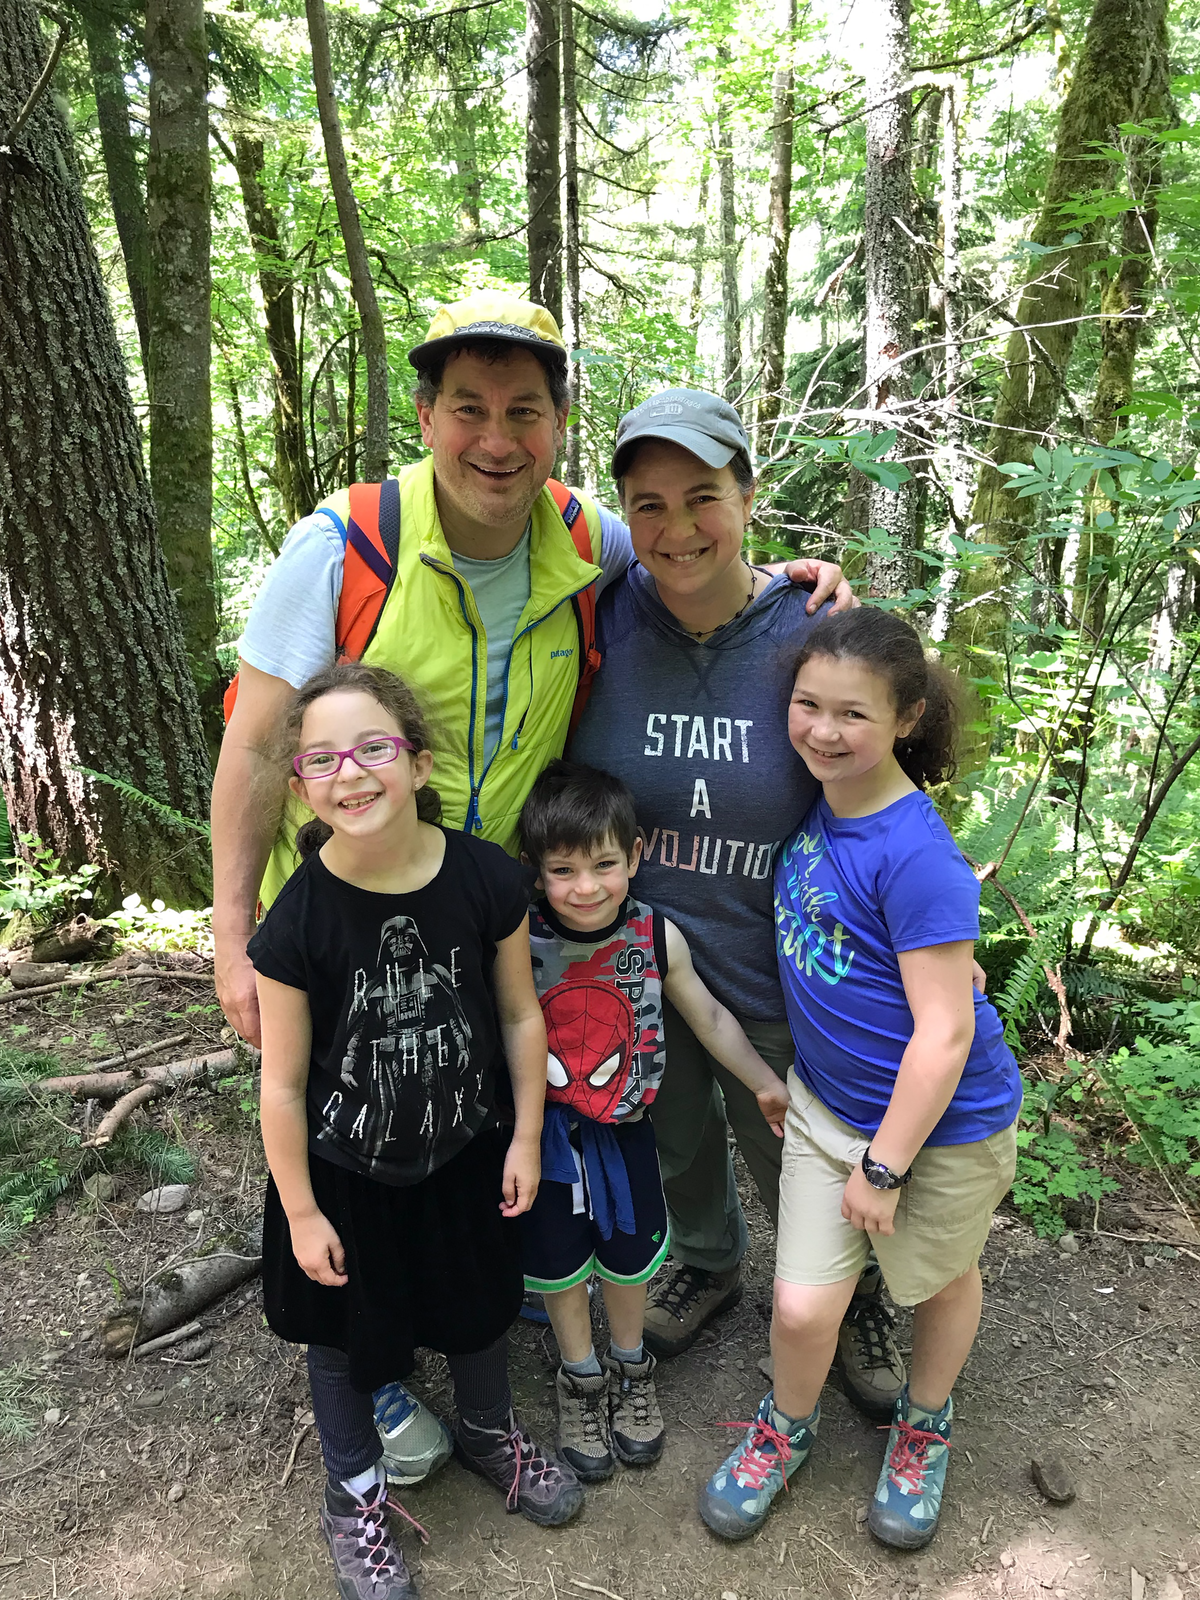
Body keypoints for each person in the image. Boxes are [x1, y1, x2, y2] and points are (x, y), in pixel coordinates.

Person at [212, 296, 851, 1479]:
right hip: (355, 915)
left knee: (463, 1123)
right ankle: (376, 1368)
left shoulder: (589, 542)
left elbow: (695, 552)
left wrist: (805, 585)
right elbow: (257, 744)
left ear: (559, 423)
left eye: (524, 412)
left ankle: (477, 1323)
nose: (495, 439)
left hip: (502, 919)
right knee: (360, 1121)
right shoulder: (344, 544)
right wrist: (234, 923)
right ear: (425, 413)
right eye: (469, 409)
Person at [569, 388, 908, 1417]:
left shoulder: (814, 627)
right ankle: (709, 1266)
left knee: (804, 1147)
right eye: (650, 504)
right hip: (644, 966)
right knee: (673, 1140)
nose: (678, 530)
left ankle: (853, 1306)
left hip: (785, 969)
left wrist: (931, 934)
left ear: (750, 497)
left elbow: (883, 779)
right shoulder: (593, 616)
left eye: (702, 497)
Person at [250, 663, 582, 1600]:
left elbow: (520, 1016)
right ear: (301, 786)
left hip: (465, 1148)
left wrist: (523, 1137)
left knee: (478, 1303)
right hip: (344, 1171)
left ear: (420, 763)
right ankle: (353, 1493)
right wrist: (302, 1210)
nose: (350, 772)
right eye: (322, 758)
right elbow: (280, 1085)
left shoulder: (483, 876)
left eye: (372, 748)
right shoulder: (297, 920)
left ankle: (486, 1432)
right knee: (347, 1333)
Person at [698, 608, 1021, 1549]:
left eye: (853, 715)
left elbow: (947, 1032)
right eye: (807, 705)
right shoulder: (816, 801)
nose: (823, 731)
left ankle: (924, 1426)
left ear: (908, 718)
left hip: (936, 1131)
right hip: (826, 1108)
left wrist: (883, 1168)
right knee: (802, 1306)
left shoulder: (916, 853)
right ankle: (784, 1429)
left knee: (940, 1281)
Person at [516, 760, 791, 1484]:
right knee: (558, 1262)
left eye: (605, 864)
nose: (585, 887)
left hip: (628, 1127)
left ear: (635, 856)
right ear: (536, 872)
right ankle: (580, 1376)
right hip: (544, 1140)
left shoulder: (654, 935)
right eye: (562, 870)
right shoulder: (519, 941)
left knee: (629, 1255)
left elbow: (708, 1017)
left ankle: (632, 1368)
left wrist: (763, 1082)